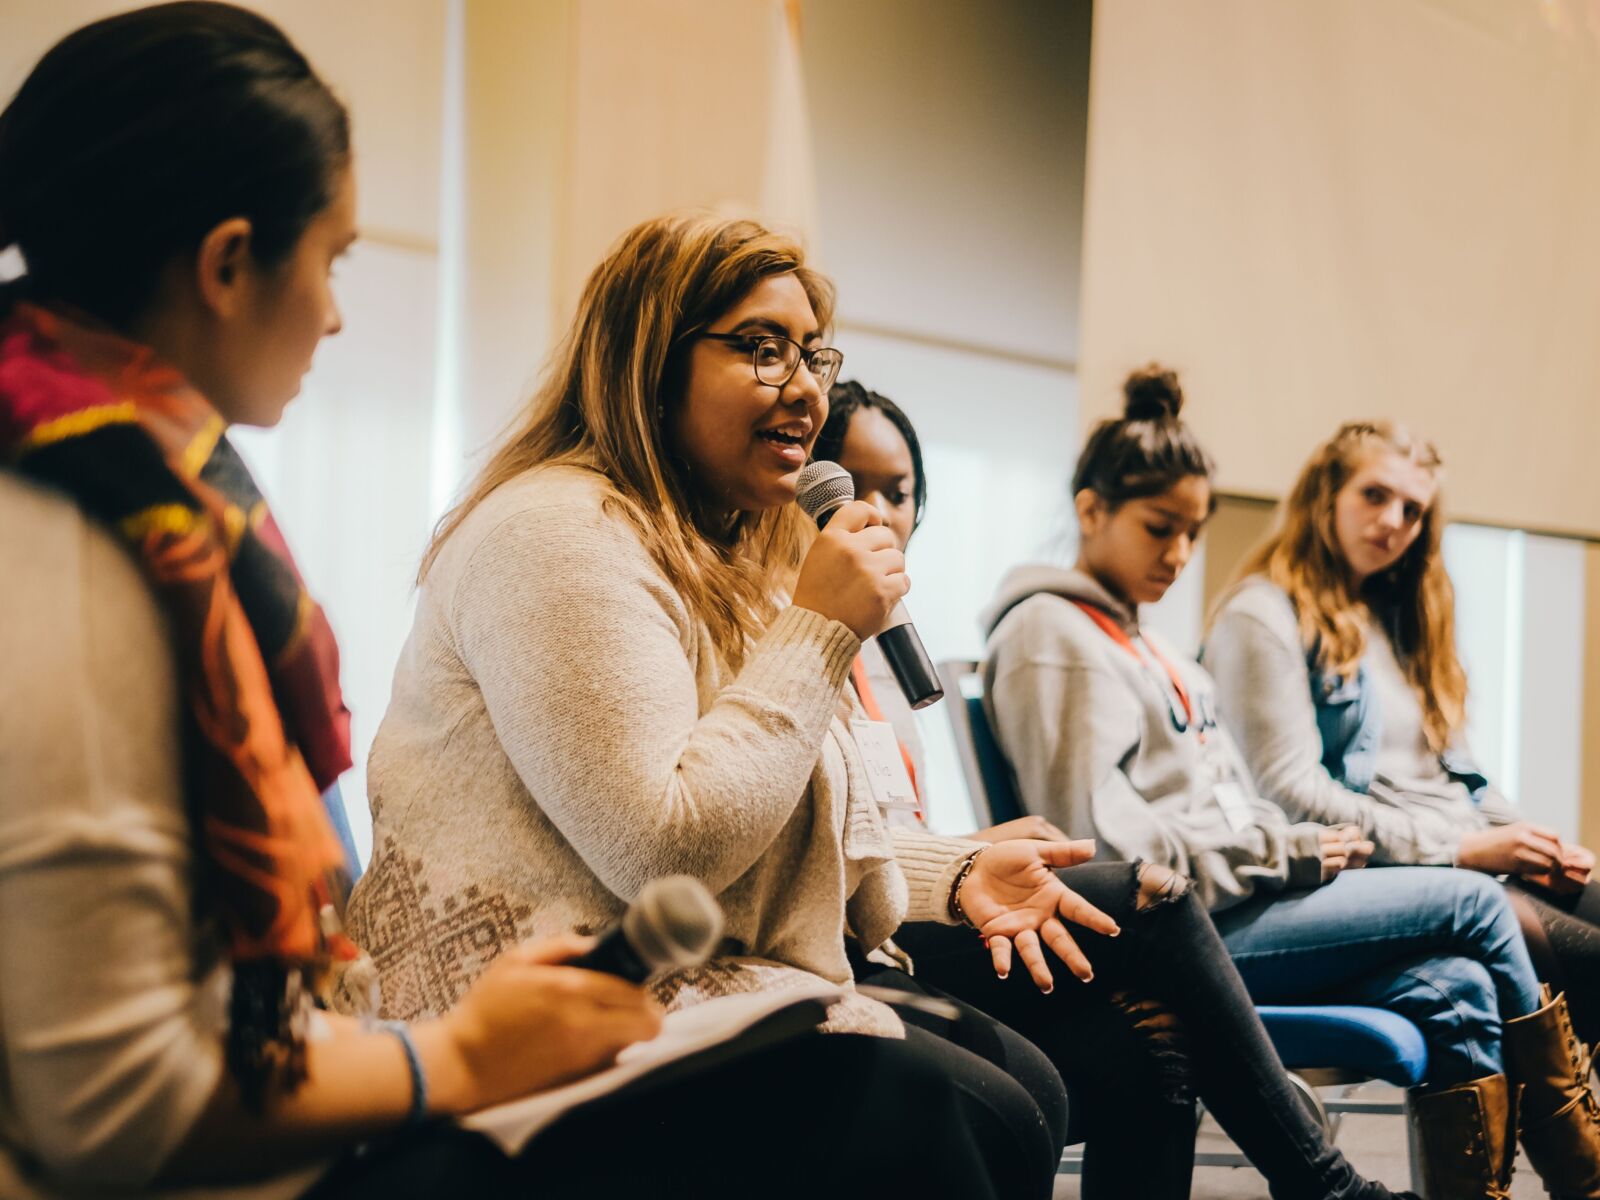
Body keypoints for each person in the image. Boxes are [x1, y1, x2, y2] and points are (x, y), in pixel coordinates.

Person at [0, 7, 1016, 1199]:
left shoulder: (166, 499)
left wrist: (944, 870)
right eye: (331, 261)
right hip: (266, 1134)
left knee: (982, 1095)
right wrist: (455, 1060)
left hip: (333, 1061)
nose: (333, 313)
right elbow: (107, 1106)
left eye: (815, 355)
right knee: (925, 1116)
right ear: (227, 265)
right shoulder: (78, 550)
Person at [980, 366, 1600, 1198]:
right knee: (1481, 905)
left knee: (1456, 986)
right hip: (1193, 932)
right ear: (1091, 511)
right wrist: (1287, 851)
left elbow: (1238, 806)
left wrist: (1285, 847)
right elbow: (1102, 850)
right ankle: (1582, 1175)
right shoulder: (1054, 635)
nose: (1180, 554)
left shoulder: (1145, 642)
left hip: (1239, 899)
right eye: (1161, 527)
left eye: (1193, 532)